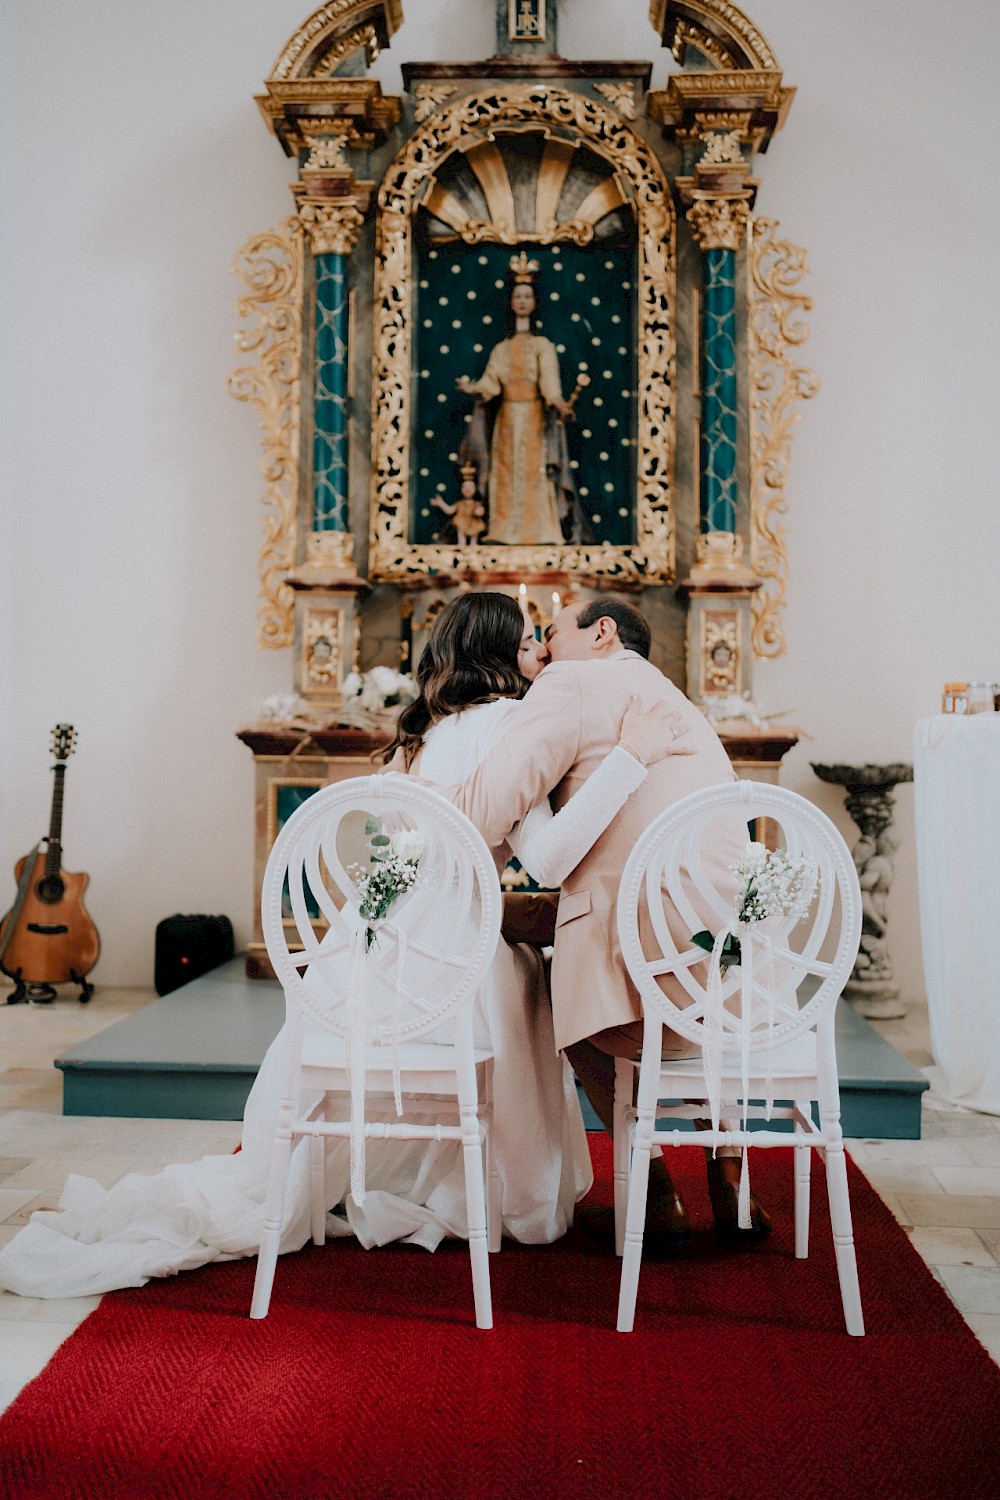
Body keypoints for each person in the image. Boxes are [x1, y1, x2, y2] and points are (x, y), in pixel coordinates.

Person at [0, 594, 681, 1300]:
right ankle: (502, 1184)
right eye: (531, 640)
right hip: (452, 960)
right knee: (532, 979)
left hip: (372, 949)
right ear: (505, 651)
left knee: (516, 971)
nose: (543, 651)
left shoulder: (421, 734)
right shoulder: (515, 723)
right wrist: (630, 759)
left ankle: (396, 1170)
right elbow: (544, 858)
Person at [446, 596, 773, 1247]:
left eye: (551, 632)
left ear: (602, 632)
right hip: (734, 971)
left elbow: (481, 814)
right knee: (616, 947)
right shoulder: (676, 700)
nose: (543, 650)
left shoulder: (569, 682)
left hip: (642, 961)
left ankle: (652, 1189)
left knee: (555, 995)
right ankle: (729, 1167)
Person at [456, 258, 572, 546]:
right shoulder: (502, 349)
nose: (522, 301)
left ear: (534, 302)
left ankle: (540, 531)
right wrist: (473, 388)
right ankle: (504, 529)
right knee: (505, 472)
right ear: (510, 302)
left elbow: (550, 385)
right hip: (507, 419)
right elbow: (491, 383)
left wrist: (558, 402)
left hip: (533, 417)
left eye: (527, 296)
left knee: (535, 472)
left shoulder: (542, 346)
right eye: (517, 296)